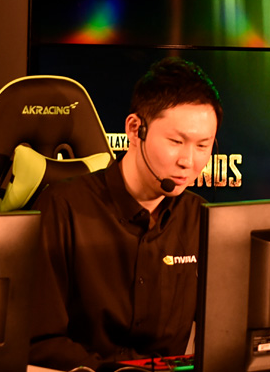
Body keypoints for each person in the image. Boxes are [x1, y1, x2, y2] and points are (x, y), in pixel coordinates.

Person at [29, 57, 222, 371]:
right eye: (176, 141)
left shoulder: (201, 218)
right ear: (135, 129)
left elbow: (226, 331)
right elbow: (40, 341)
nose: (189, 161)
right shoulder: (63, 208)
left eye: (203, 146)